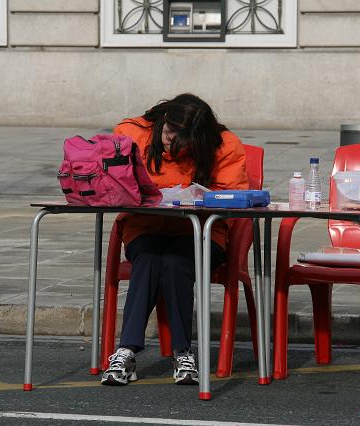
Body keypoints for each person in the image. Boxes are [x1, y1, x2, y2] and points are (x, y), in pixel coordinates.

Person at [101, 93, 249, 386]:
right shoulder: (132, 134)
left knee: (174, 261)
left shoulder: (225, 145)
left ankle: (181, 352)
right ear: (163, 120)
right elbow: (114, 182)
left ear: (199, 139)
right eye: (168, 132)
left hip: (201, 231)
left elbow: (235, 198)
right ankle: (127, 351)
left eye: (181, 140)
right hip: (145, 226)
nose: (169, 141)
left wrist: (200, 198)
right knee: (149, 257)